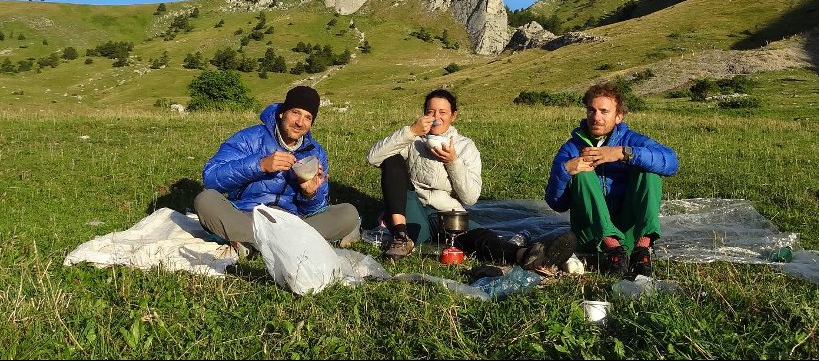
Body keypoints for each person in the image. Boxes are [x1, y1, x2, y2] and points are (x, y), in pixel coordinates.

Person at [367, 88, 576, 270]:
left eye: (442, 112)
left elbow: (470, 197)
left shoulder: (466, 147)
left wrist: (453, 161)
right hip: (413, 206)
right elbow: (374, 158)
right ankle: (401, 237)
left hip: (447, 212)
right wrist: (411, 131)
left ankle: (527, 255)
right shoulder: (414, 141)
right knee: (392, 159)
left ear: (453, 116)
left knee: (479, 237)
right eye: (430, 112)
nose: (436, 117)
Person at [194, 85, 360, 259]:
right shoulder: (250, 138)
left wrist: (309, 194)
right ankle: (288, 245)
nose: (300, 122)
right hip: (248, 216)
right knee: (205, 200)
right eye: (295, 112)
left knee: (348, 213)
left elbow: (315, 209)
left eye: (308, 117)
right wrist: (260, 165)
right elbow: (211, 178)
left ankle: (255, 243)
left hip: (291, 222)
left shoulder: (315, 153)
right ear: (282, 113)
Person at [545, 82, 679, 278]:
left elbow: (671, 162)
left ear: (619, 117)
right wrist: (565, 170)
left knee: (648, 171)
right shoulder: (572, 148)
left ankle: (642, 249)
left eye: (604, 111)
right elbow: (556, 204)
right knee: (582, 171)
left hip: (630, 236)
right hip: (590, 235)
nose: (596, 117)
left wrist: (622, 153)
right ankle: (611, 248)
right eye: (591, 110)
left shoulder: (631, 140)